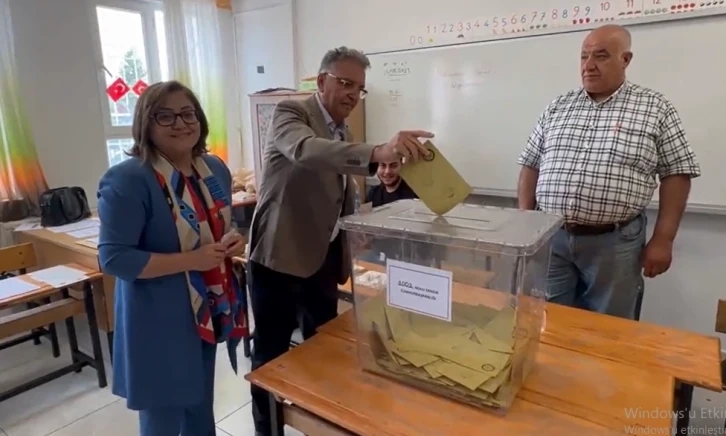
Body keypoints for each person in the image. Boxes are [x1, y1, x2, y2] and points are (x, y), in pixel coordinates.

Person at [247, 46, 433, 435]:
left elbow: (338, 188)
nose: (352, 94)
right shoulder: (291, 113)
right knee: (271, 354)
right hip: (280, 255)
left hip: (324, 258)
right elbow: (306, 151)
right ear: (321, 81)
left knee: (324, 347)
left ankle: (318, 421)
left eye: (359, 88)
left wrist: (355, 227)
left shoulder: (342, 130)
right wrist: (378, 151)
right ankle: (267, 430)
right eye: (345, 83)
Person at [516, 24, 701, 320]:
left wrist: (663, 239)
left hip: (615, 244)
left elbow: (677, 173)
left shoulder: (655, 108)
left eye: (600, 56)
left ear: (625, 59)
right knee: (547, 321)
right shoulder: (559, 106)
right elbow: (530, 164)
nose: (588, 65)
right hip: (552, 239)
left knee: (611, 327)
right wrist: (527, 223)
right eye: (584, 56)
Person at [97, 80, 248, 436]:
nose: (180, 123)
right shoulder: (128, 179)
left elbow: (221, 223)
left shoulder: (213, 168)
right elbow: (114, 259)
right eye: (165, 116)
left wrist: (234, 241)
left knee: (200, 411)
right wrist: (191, 260)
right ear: (145, 123)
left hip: (207, 309)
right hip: (158, 320)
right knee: (163, 418)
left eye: (187, 113)